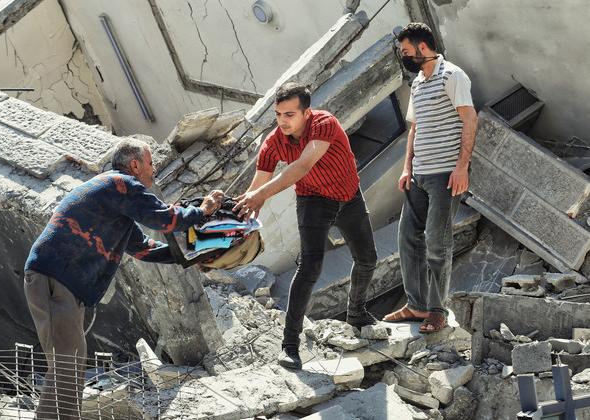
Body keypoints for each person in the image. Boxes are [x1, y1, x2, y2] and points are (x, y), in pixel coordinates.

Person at [24, 138, 222, 419]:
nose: (154, 170)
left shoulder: (115, 201)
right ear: (135, 165)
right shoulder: (121, 184)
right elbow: (164, 219)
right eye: (151, 163)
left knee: (70, 360)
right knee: (67, 362)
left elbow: (143, 249)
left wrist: (191, 257)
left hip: (57, 280)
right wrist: (202, 212)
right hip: (55, 278)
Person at [234, 82, 378, 370]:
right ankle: (289, 345)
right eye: (278, 114)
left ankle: (356, 313)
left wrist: (260, 195)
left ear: (306, 113)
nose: (282, 121)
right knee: (310, 268)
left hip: (349, 197)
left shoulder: (324, 123)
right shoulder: (273, 142)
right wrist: (243, 212)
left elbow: (302, 165)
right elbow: (257, 186)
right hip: (313, 202)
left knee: (367, 259)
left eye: (290, 114)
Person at [382, 22, 477, 333]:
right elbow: (415, 128)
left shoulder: (452, 75)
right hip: (419, 175)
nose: (404, 57)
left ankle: (437, 311)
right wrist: (406, 167)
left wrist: (462, 167)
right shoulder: (417, 84)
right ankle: (416, 305)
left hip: (445, 176)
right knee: (407, 237)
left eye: (406, 51)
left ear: (422, 47)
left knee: (437, 242)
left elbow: (469, 120)